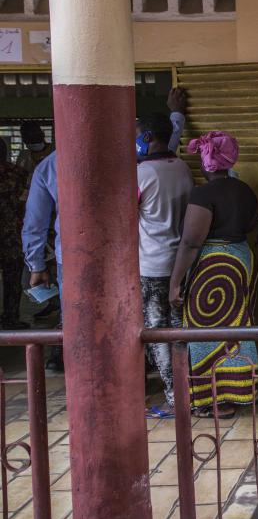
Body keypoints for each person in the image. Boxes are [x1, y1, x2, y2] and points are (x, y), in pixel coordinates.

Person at [22, 92, 187, 371]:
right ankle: (127, 372)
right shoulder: (127, 158)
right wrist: (176, 117)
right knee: (126, 317)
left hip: (75, 259)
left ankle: (89, 371)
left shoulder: (48, 167)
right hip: (125, 257)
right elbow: (161, 152)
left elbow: (35, 222)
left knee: (79, 319)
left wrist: (36, 264)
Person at [169, 131, 258, 419]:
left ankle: (215, 399)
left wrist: (175, 284)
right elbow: (250, 225)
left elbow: (191, 242)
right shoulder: (245, 190)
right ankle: (240, 390)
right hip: (242, 258)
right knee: (236, 325)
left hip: (213, 265)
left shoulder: (203, 194)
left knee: (206, 329)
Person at [136, 112, 194, 418]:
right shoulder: (182, 167)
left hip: (153, 265)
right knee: (180, 329)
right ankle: (189, 390)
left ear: (147, 137)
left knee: (157, 331)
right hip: (181, 263)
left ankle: (174, 397)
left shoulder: (143, 173)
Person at [0, 139, 29, 329]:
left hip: (12, 234)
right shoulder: (19, 174)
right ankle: (10, 318)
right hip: (12, 235)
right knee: (12, 280)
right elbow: (28, 204)